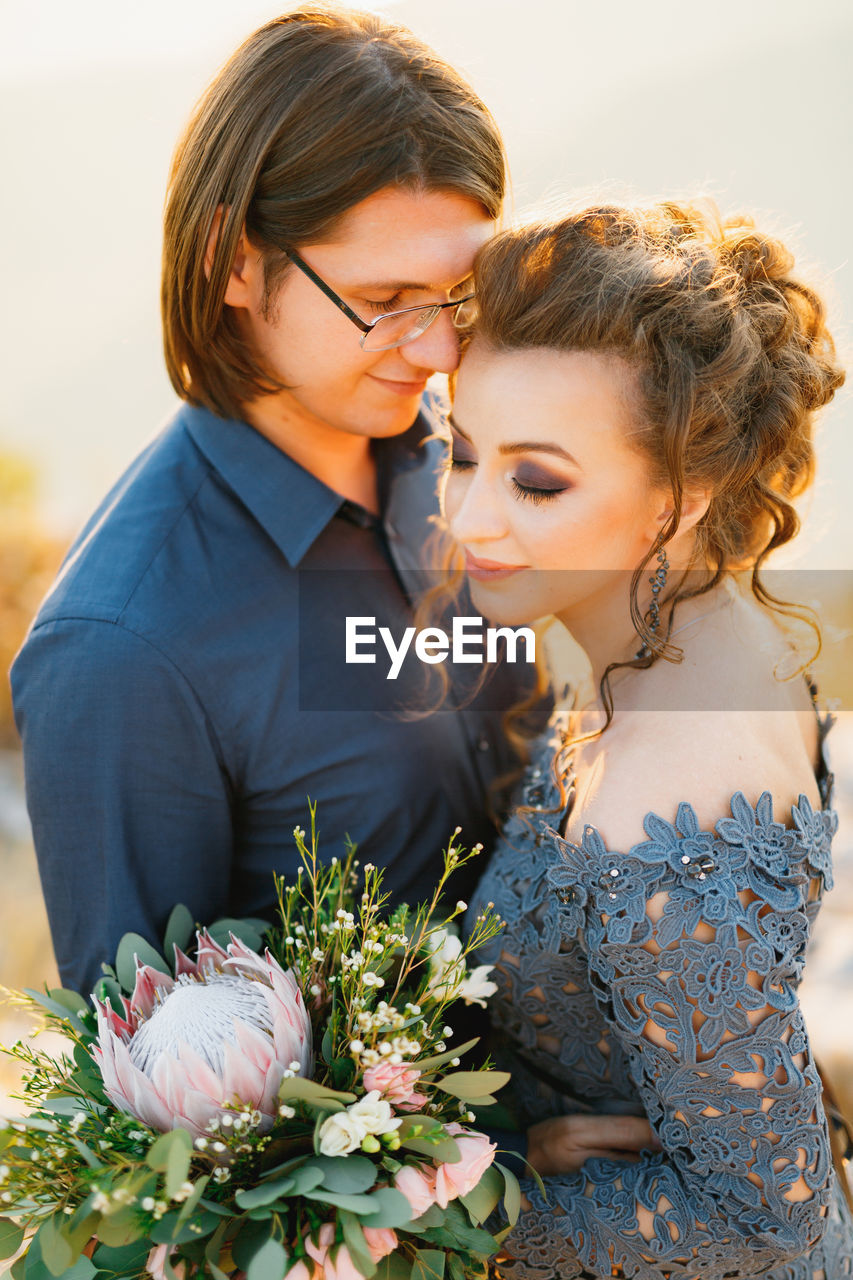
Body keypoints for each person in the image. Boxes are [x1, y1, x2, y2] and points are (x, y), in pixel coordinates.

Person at [9, 6, 523, 998]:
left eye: (460, 296)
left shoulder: (466, 469)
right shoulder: (122, 646)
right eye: (386, 302)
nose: (439, 352)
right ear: (232, 260)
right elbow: (155, 1112)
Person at [449, 202, 852, 1277]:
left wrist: (489, 1197)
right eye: (461, 453)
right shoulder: (697, 630)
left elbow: (772, 1229)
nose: (470, 517)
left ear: (683, 493)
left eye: (535, 479)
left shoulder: (668, 787)